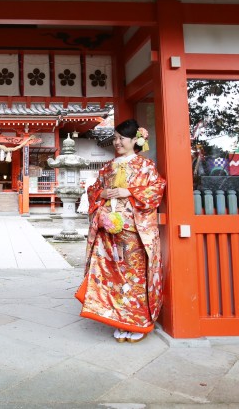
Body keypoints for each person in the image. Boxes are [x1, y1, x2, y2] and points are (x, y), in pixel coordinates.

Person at [75, 119, 166, 343]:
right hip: (109, 230)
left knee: (134, 277)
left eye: (121, 138)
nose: (116, 142)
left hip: (134, 232)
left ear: (136, 140)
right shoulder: (108, 167)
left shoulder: (146, 166)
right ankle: (118, 319)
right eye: (115, 138)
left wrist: (129, 191)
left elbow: (156, 189)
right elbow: (94, 189)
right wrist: (102, 193)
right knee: (113, 276)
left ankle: (138, 321)